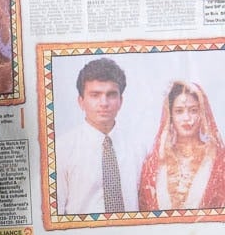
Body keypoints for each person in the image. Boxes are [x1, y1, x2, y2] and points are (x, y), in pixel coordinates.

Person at [56, 57, 147, 215]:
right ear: (81, 101)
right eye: (95, 95)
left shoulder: (138, 148)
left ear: (121, 101)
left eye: (111, 95)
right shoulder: (61, 149)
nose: (104, 103)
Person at [138, 80, 225, 210]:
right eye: (179, 111)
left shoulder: (218, 160)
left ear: (202, 114)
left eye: (193, 110)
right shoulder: (155, 162)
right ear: (170, 116)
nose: (187, 118)